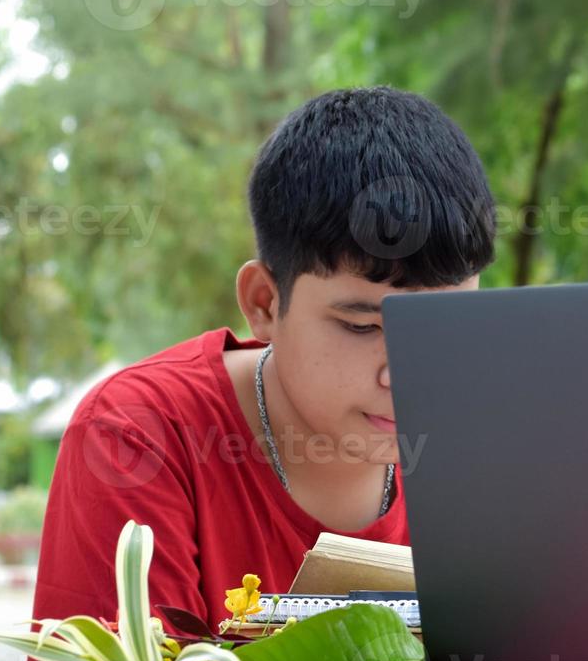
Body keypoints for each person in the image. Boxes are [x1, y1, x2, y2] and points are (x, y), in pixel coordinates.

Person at [33, 86, 497, 631]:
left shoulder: (499, 444)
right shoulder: (138, 436)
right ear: (265, 303)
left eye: (443, 328)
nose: (406, 374)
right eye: (362, 326)